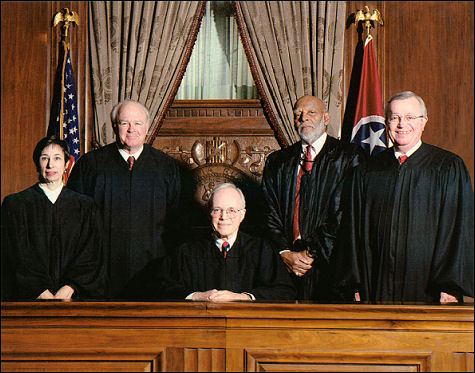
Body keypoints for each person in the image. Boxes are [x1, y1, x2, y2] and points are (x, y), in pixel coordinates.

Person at [333, 91, 474, 303]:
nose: (402, 124)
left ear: (424, 121)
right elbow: (352, 230)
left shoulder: (446, 167)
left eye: (410, 117)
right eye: (395, 118)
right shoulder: (367, 169)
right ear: (387, 123)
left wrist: (449, 285)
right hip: (376, 284)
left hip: (429, 288)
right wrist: (354, 283)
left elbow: (459, 229)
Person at [67, 99, 181, 298]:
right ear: (114, 126)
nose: (131, 129)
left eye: (138, 123)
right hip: (100, 274)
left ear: (147, 127)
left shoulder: (166, 167)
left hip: (153, 273)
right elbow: (74, 224)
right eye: (124, 123)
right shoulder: (90, 165)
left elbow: (176, 224)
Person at [261, 95, 365, 301]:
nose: (303, 119)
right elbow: (268, 210)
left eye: (311, 113)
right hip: (286, 266)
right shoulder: (278, 161)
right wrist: (284, 252)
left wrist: (311, 253)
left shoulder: (348, 156)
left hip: (331, 266)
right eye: (298, 114)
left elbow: (345, 213)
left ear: (326, 118)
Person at [121, 183, 296, 302]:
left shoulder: (261, 250)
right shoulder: (187, 250)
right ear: (209, 213)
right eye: (217, 210)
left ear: (242, 215)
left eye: (231, 210)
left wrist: (242, 297)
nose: (224, 217)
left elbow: (285, 292)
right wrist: (195, 296)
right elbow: (158, 286)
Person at [1, 136, 106, 301]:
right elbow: (16, 255)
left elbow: (91, 254)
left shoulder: (85, 207)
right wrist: (39, 290)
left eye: (57, 158)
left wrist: (70, 287)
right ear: (37, 163)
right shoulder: (16, 205)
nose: (51, 165)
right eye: (45, 158)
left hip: (73, 300)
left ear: (66, 164)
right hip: (28, 301)